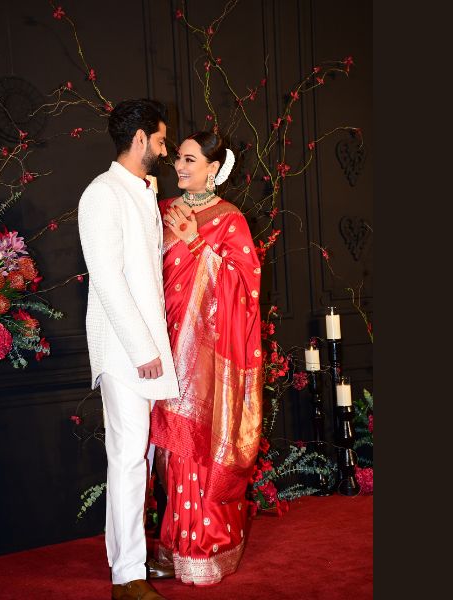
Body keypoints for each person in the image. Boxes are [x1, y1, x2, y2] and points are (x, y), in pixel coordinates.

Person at [150, 131, 264, 586]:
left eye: (190, 160)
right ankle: (175, 544)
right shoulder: (162, 210)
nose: (179, 166)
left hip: (207, 354)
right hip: (162, 344)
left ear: (213, 168)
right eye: (178, 158)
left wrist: (197, 242)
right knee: (171, 450)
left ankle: (204, 546)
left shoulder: (230, 219)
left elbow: (246, 289)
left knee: (197, 445)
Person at [78, 99, 179, 600]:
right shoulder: (102, 193)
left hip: (146, 349)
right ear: (139, 139)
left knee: (137, 456)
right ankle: (127, 578)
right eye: (160, 139)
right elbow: (108, 279)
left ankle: (130, 561)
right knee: (128, 458)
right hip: (123, 350)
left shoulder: (141, 191)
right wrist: (142, 349)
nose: (165, 148)